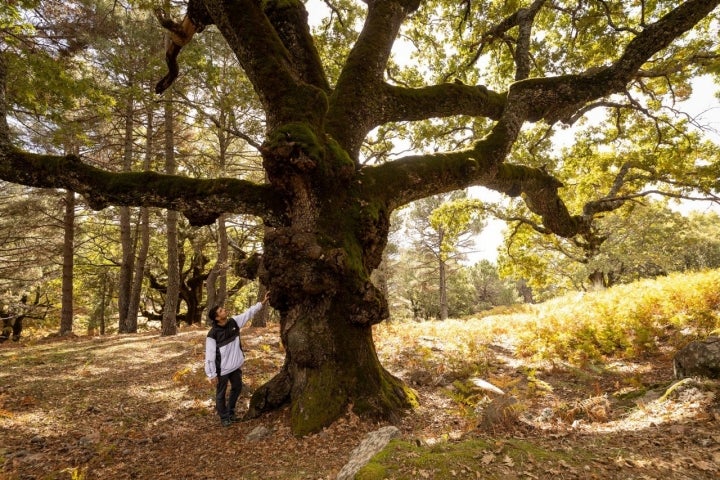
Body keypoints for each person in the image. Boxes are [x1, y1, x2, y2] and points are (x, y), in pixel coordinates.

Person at [205, 291, 269, 427]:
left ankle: (231, 412)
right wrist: (211, 374)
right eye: (221, 311)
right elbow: (209, 355)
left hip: (235, 366)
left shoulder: (234, 322)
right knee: (220, 394)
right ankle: (224, 417)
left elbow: (248, 313)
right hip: (221, 370)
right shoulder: (212, 334)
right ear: (217, 318)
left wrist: (262, 303)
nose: (224, 311)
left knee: (237, 387)